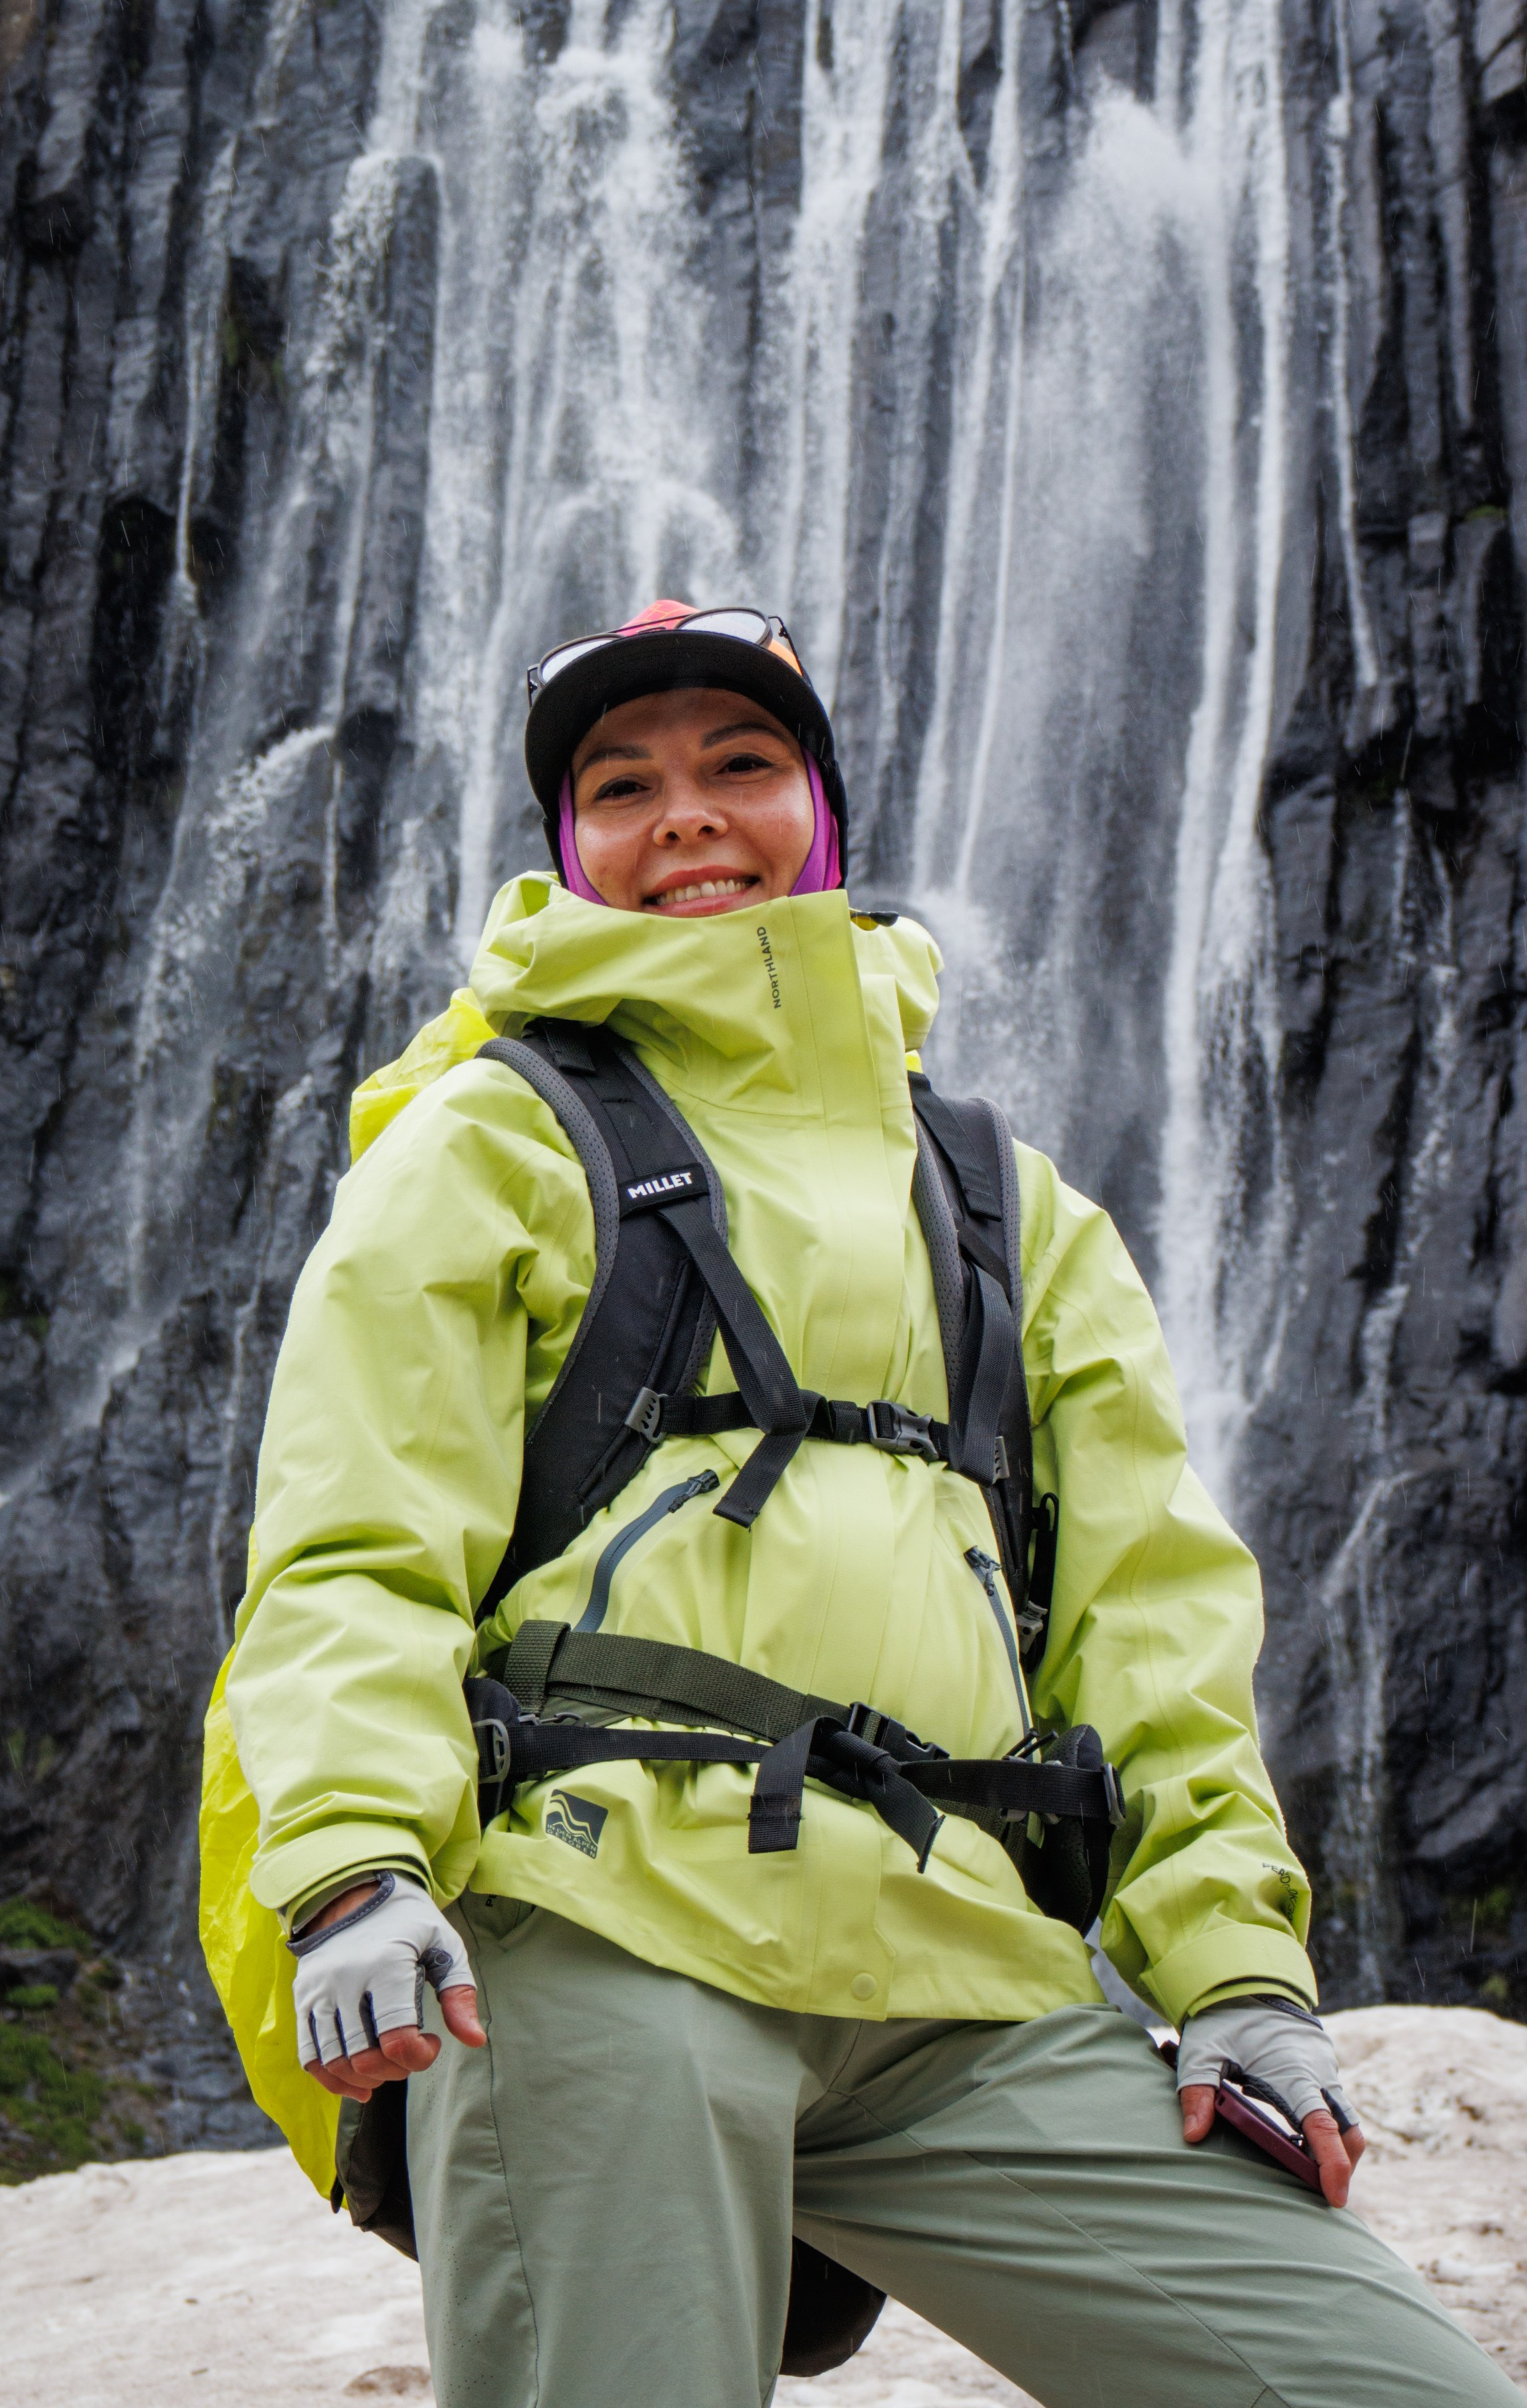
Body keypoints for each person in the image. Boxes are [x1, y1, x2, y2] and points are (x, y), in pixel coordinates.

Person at [207, 602, 1517, 2408]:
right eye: (620, 785)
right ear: (563, 850)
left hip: (964, 1971)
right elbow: (355, 1547)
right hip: (601, 1932)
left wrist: (1233, 1972)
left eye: (739, 767)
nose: (685, 818)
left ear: (819, 812)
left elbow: (1148, 1621)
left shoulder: (1004, 1201)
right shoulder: (489, 1136)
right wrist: (355, 1868)